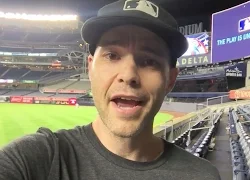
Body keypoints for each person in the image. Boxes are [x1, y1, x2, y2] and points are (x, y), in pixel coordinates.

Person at [0, 0, 221, 179]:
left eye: (149, 61)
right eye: (112, 55)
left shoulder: (203, 175)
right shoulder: (35, 159)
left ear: (170, 80)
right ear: (90, 67)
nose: (128, 75)